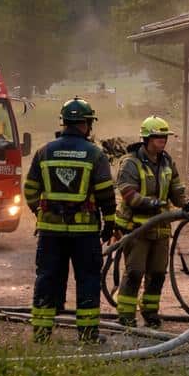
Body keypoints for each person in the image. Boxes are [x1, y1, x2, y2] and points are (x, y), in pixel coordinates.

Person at [23, 97, 117, 344]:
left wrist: (41, 211)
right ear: (86, 124)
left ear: (64, 122)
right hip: (84, 232)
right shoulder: (95, 154)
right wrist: (110, 222)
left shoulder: (44, 151)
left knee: (47, 278)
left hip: (50, 231)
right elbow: (106, 193)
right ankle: (87, 334)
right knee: (87, 279)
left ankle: (42, 332)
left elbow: (30, 189)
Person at [113, 116, 187, 329]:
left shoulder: (167, 162)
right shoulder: (130, 162)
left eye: (164, 137)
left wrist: (185, 204)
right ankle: (126, 314)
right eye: (157, 137)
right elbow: (128, 194)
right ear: (146, 139)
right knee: (135, 271)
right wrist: (151, 202)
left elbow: (176, 189)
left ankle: (150, 312)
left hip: (160, 229)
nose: (162, 141)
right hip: (136, 229)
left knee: (157, 274)